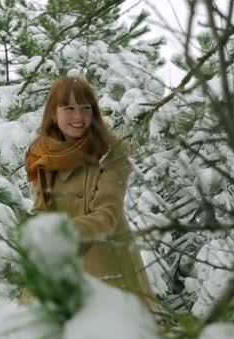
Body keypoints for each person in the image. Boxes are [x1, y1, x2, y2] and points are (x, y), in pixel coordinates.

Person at [24, 75, 156, 307]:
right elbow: (42, 209)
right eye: (69, 108)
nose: (79, 117)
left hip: (106, 264)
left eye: (86, 108)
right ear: (54, 114)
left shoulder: (111, 151)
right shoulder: (42, 155)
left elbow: (108, 213)